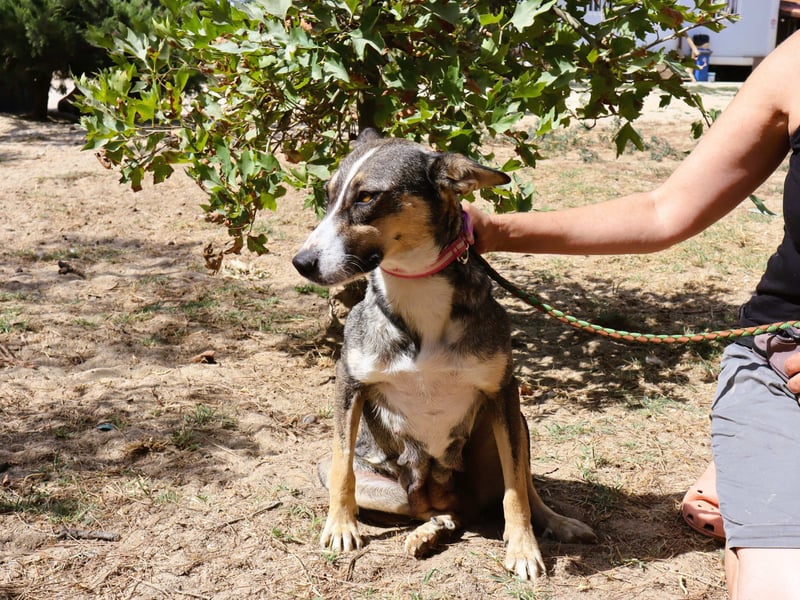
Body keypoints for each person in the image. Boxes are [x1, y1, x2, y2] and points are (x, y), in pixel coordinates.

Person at [463, 31, 800, 600]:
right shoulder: (794, 61)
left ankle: (751, 478)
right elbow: (663, 211)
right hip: (782, 360)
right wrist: (495, 230)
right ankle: (759, 466)